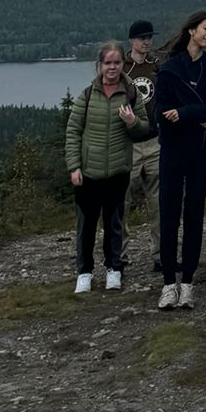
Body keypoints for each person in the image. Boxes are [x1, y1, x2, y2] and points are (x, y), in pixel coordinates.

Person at [66, 41, 153, 294]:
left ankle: (114, 268)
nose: (112, 67)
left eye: (116, 63)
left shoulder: (131, 94)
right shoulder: (86, 95)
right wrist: (74, 166)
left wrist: (132, 121)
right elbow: (73, 132)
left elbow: (144, 129)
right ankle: (84, 272)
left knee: (114, 224)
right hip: (88, 173)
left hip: (117, 171)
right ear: (100, 65)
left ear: (122, 64)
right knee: (86, 226)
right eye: (108, 63)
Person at [155, 9, 206, 310]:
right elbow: (161, 113)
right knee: (169, 214)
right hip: (173, 149)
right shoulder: (170, 68)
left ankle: (187, 282)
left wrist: (184, 113)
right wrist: (198, 117)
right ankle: (168, 283)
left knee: (195, 214)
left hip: (200, 150)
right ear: (192, 30)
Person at [121, 22, 162, 265]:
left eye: (149, 37)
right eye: (141, 38)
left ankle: (160, 255)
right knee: (121, 202)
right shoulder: (122, 68)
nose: (146, 41)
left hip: (155, 141)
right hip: (129, 144)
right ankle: (119, 256)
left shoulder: (156, 66)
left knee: (158, 202)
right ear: (131, 40)